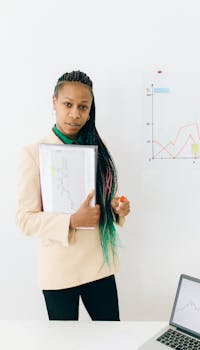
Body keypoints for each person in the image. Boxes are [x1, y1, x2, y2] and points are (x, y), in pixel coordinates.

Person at [16, 70, 130, 321]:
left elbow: (101, 199)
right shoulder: (33, 154)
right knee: (65, 344)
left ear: (90, 110)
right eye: (68, 104)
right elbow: (24, 219)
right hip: (59, 272)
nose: (75, 114)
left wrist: (115, 207)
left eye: (83, 106)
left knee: (111, 338)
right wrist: (71, 221)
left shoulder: (99, 148)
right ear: (54, 102)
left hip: (99, 266)